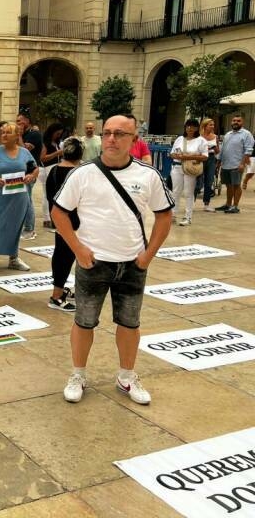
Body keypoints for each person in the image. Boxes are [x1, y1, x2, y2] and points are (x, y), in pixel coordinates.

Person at [52, 114, 174, 405]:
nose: (111, 139)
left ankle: (127, 376)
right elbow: (59, 212)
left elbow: (164, 216)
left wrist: (147, 256)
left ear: (134, 140)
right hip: (93, 263)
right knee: (84, 322)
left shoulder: (148, 175)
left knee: (130, 323)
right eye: (107, 133)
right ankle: (78, 374)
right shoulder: (82, 174)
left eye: (120, 134)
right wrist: (78, 249)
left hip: (132, 263)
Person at [0, 123, 37, 274]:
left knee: (15, 226)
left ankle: (14, 258)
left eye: (7, 133)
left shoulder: (25, 153)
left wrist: (31, 176)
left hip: (18, 197)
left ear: (17, 135)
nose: (3, 135)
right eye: (2, 133)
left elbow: (34, 169)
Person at [45, 137, 83, 312]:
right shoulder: (79, 174)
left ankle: (59, 290)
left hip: (58, 220)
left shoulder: (53, 171)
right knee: (66, 257)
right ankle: (57, 295)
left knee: (60, 255)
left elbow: (49, 197)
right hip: (75, 221)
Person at [169, 119, 207, 226]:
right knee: (175, 191)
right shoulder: (180, 139)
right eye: (188, 126)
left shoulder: (201, 140)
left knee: (188, 193)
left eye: (193, 126)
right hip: (177, 167)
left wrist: (188, 156)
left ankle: (188, 216)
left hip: (190, 168)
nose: (190, 129)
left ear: (197, 128)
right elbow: (172, 153)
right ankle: (173, 215)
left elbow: (205, 156)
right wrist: (176, 155)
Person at [217, 113, 254, 214]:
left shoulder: (247, 134)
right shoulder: (228, 134)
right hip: (225, 164)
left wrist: (242, 164)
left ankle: (235, 206)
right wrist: (219, 162)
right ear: (231, 122)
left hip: (237, 165)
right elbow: (223, 149)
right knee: (228, 185)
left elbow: (248, 150)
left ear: (242, 122)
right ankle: (228, 204)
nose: (236, 122)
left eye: (238, 121)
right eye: (234, 121)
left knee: (236, 185)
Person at [17, 113, 42, 240]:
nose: (18, 123)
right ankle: (23, 226)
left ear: (27, 120)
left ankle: (29, 228)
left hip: (30, 172)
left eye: (20, 121)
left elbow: (24, 151)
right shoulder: (25, 134)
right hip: (20, 172)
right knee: (22, 200)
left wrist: (19, 135)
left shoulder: (34, 134)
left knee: (27, 200)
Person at [39, 123, 64, 229]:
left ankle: (52, 217)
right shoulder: (45, 142)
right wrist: (57, 153)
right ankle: (46, 218)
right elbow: (42, 158)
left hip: (54, 169)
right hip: (46, 169)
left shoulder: (56, 142)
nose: (58, 136)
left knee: (53, 195)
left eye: (60, 134)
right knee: (47, 194)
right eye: (57, 133)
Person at [199, 118, 219, 212]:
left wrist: (214, 148)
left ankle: (206, 204)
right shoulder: (199, 136)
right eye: (210, 124)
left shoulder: (215, 136)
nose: (212, 126)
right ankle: (191, 201)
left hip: (211, 158)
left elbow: (218, 151)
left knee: (209, 181)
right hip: (201, 158)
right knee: (197, 181)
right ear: (205, 126)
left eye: (213, 125)